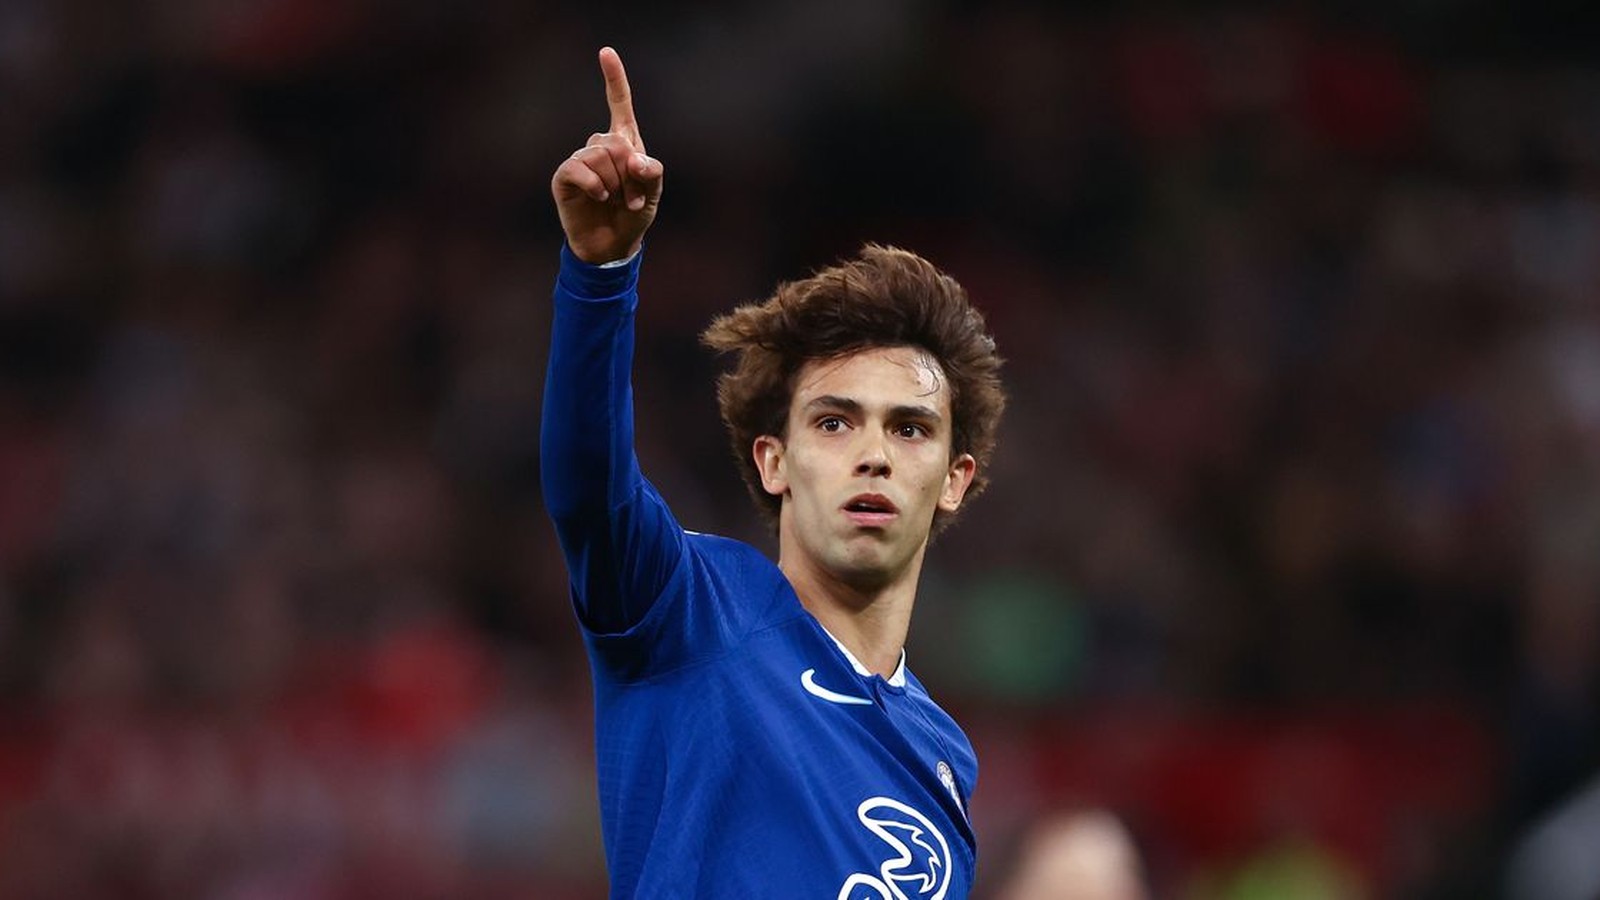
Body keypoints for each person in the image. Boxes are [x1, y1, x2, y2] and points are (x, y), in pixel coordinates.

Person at [542, 46, 1005, 898]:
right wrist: (601, 274)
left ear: (954, 477)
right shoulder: (691, 610)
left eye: (910, 429)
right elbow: (584, 486)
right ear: (774, 460)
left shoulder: (944, 761)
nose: (873, 452)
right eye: (835, 422)